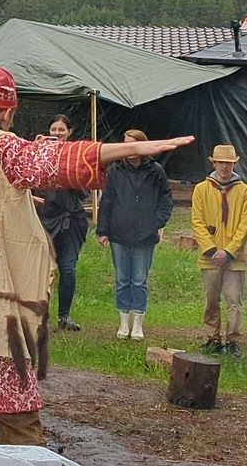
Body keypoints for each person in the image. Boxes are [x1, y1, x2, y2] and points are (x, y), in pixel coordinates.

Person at [0, 65, 191, 444]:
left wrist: (14, 198)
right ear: (9, 112)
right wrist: (133, 148)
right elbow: (55, 160)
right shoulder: (0, 145)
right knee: (14, 404)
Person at [97, 130, 173, 343]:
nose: (127, 148)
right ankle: (123, 322)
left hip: (145, 235)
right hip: (119, 232)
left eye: (131, 144)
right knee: (122, 279)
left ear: (142, 146)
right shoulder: (115, 170)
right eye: (125, 144)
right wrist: (103, 230)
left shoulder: (155, 170)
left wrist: (157, 222)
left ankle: (138, 324)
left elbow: (166, 197)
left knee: (139, 280)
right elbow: (108, 200)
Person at [191, 142, 247, 356]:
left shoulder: (245, 192)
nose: (224, 167)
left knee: (234, 299)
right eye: (221, 163)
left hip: (234, 258)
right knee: (211, 299)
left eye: (228, 163)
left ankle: (233, 340)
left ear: (234, 164)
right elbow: (197, 222)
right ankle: (213, 337)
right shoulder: (201, 189)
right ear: (214, 163)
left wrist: (228, 251)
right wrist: (211, 250)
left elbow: (244, 226)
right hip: (210, 257)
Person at [33, 114, 89, 332]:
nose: (57, 134)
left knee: (68, 269)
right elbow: (28, 183)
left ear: (69, 132)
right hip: (43, 218)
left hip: (71, 220)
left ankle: (64, 316)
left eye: (61, 130)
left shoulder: (76, 156)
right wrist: (36, 151)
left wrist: (64, 164)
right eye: (53, 130)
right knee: (42, 271)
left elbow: (83, 191)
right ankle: (41, 316)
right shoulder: (37, 154)